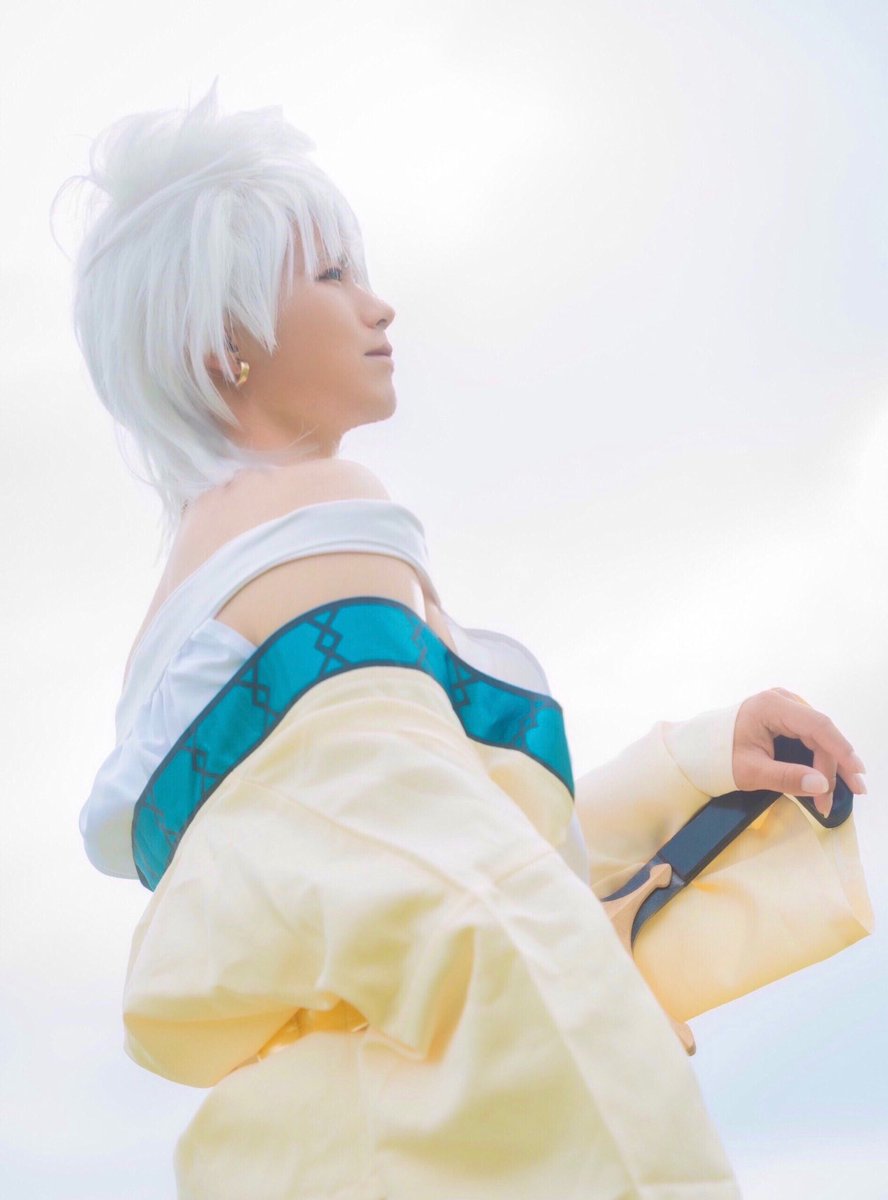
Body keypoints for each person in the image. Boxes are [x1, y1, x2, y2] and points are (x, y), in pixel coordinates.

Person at [64, 79, 874, 1199]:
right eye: (331, 275)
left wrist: (694, 767)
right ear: (224, 341)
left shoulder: (185, 609)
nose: (379, 307)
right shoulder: (323, 516)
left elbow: (381, 862)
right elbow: (469, 899)